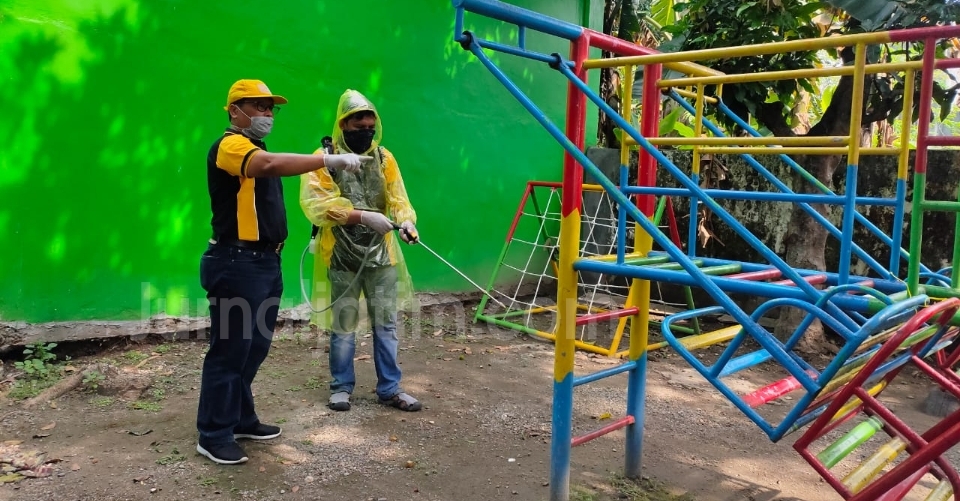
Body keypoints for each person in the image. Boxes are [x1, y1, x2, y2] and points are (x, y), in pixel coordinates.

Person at [197, 79, 371, 465]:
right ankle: (213, 433)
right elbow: (270, 166)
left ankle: (240, 418)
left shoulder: (255, 147)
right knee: (229, 351)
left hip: (263, 263)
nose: (267, 114)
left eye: (271, 108)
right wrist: (327, 159)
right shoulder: (231, 146)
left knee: (254, 347)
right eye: (259, 107)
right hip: (235, 262)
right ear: (234, 111)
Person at [299, 89, 422, 413]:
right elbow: (318, 205)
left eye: (370, 124)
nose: (365, 130)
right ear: (343, 124)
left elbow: (399, 199)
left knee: (386, 324)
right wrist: (362, 215)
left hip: (382, 254)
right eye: (358, 124)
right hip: (340, 253)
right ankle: (341, 387)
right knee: (344, 325)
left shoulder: (384, 158)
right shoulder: (325, 159)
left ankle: (390, 389)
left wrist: (407, 223)